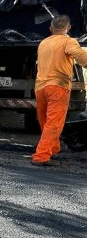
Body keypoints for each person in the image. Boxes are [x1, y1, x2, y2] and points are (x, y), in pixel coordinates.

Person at [31, 15, 87, 166]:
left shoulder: (43, 43)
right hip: (58, 86)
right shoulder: (68, 41)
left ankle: (54, 148)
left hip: (40, 87)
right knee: (54, 123)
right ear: (68, 27)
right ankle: (41, 156)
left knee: (45, 121)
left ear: (50, 28)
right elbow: (81, 56)